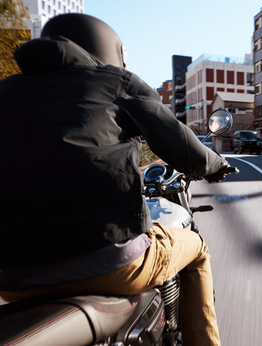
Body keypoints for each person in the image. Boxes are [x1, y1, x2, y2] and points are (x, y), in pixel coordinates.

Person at [0, 14, 226, 346]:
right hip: (110, 265)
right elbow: (181, 146)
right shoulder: (113, 80)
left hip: (13, 279)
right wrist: (216, 165)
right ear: (110, 51)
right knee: (197, 248)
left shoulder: (5, 92)